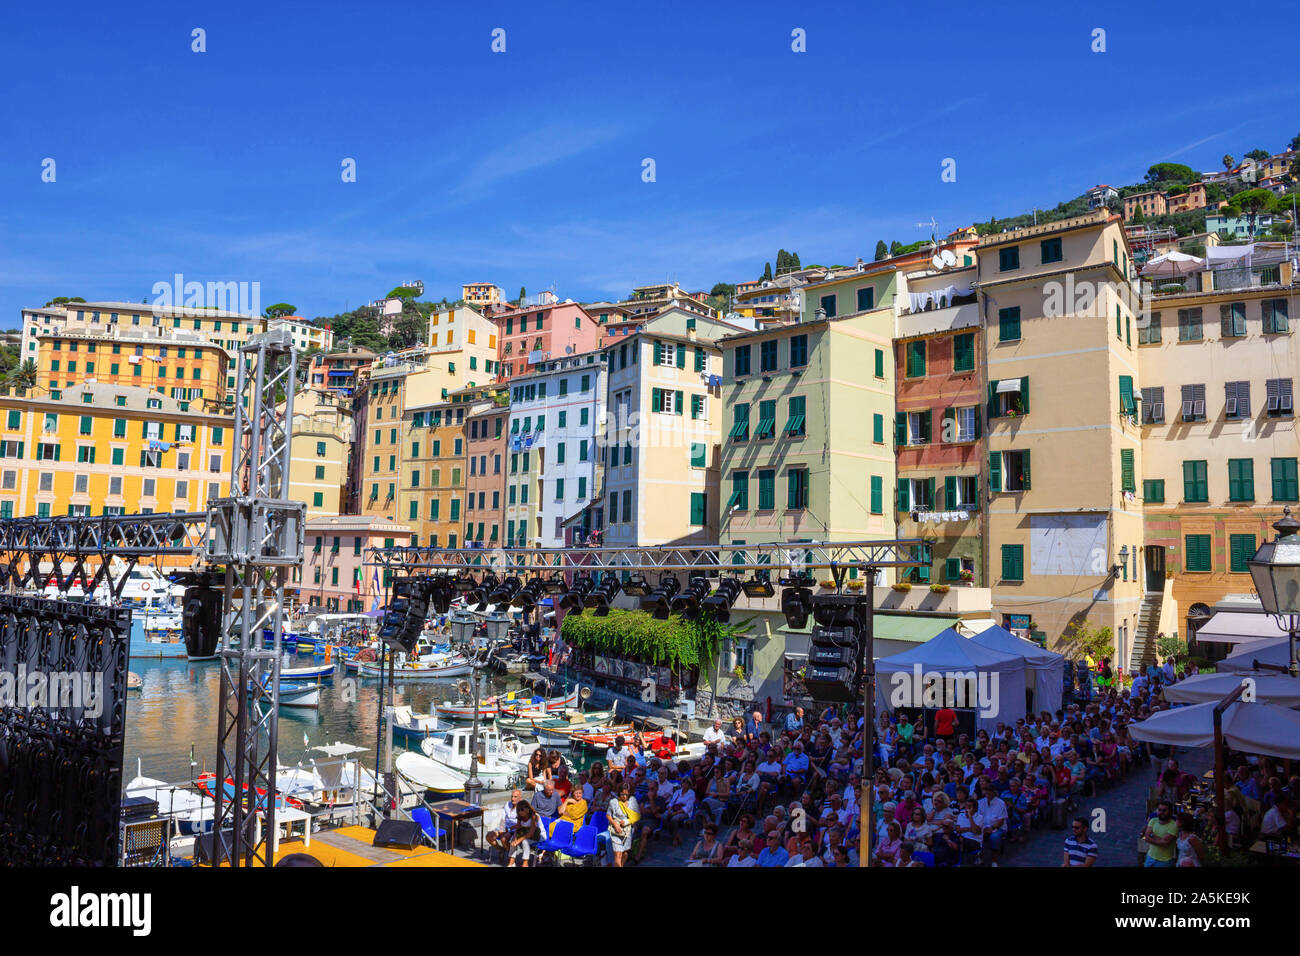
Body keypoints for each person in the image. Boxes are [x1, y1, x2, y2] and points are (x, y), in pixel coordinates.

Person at [607, 783, 639, 867]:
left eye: (626, 794)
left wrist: (628, 821)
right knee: (618, 853)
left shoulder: (632, 803)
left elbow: (636, 816)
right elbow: (608, 815)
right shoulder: (613, 802)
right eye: (622, 794)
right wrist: (615, 824)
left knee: (624, 853)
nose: (624, 796)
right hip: (616, 830)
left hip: (628, 831)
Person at [486, 789, 524, 861]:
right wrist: (501, 829)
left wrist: (508, 829)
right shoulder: (507, 804)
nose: (512, 799)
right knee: (489, 836)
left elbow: (520, 824)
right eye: (512, 796)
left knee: (503, 839)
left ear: (520, 798)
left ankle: (512, 856)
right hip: (505, 826)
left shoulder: (522, 808)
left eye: (515, 797)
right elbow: (503, 818)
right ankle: (501, 849)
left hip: (514, 829)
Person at [1142, 801, 1178, 867]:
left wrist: (1152, 835)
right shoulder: (1153, 821)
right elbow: (1146, 838)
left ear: (1170, 812)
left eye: (1164, 810)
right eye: (1159, 810)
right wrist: (1160, 840)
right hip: (1150, 857)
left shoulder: (1174, 826)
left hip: (1164, 861)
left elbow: (1164, 843)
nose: (1161, 812)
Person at [507, 802, 540, 867]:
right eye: (518, 810)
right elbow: (518, 829)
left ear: (528, 809)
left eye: (522, 809)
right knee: (512, 840)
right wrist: (514, 838)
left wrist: (518, 841)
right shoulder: (520, 817)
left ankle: (525, 863)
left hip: (537, 835)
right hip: (525, 834)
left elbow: (531, 833)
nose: (520, 812)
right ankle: (511, 862)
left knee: (525, 842)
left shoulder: (534, 816)